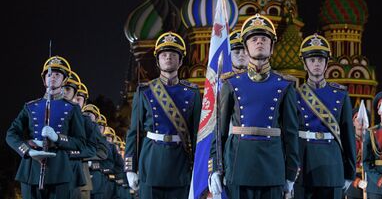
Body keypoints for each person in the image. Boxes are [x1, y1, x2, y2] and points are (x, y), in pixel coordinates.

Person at [209, 13, 300, 199]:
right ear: (246, 46)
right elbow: (219, 132)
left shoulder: (284, 85)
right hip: (238, 166)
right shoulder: (231, 83)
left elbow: (291, 133)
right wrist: (215, 168)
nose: (259, 42)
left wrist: (291, 173)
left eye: (264, 39)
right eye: (254, 39)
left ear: (272, 47)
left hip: (272, 170)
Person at [124, 31, 201, 199]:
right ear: (158, 61)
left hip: (180, 163)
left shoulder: (192, 93)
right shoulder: (144, 91)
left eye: (173, 54)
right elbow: (134, 132)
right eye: (164, 54)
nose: (168, 58)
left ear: (180, 61)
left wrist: (200, 168)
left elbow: (197, 135)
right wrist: (130, 168)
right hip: (151, 163)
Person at [5, 56, 86, 199]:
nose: (52, 78)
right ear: (44, 79)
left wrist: (57, 138)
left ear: (64, 79)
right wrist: (28, 150)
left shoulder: (72, 108)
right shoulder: (30, 107)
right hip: (30, 170)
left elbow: (80, 142)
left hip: (59, 171)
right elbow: (11, 134)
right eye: (49, 74)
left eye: (57, 74)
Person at [293, 34, 356, 199]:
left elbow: (347, 133)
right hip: (303, 162)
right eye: (312, 60)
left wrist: (350, 171)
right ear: (305, 64)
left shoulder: (340, 94)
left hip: (332, 165)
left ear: (327, 64)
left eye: (320, 60)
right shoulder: (295, 95)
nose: (316, 64)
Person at [347, 107, 368, 199]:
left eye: (363, 119)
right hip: (352, 181)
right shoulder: (348, 141)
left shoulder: (370, 140)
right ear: (353, 122)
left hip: (369, 179)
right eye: (357, 119)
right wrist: (356, 181)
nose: (361, 122)